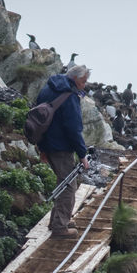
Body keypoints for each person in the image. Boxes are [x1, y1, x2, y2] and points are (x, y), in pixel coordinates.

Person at [35, 65, 91, 239]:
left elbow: (40, 117)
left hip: (48, 144)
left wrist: (42, 147)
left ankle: (58, 218)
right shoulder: (69, 96)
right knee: (69, 185)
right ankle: (60, 227)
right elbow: (74, 129)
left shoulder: (49, 87)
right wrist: (82, 154)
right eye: (83, 81)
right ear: (74, 78)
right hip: (61, 147)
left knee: (63, 181)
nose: (84, 85)